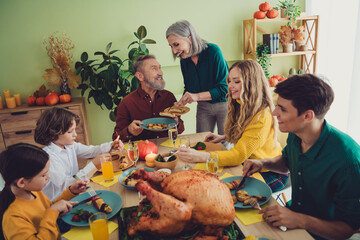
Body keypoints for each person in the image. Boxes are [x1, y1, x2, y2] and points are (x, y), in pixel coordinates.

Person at [242, 74, 360, 240]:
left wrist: (301, 220)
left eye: (282, 109)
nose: (275, 113)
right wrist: (263, 163)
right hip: (293, 223)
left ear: (307, 116)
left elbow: (349, 229)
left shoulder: (348, 160)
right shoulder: (295, 133)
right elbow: (287, 163)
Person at [178, 60, 288, 192]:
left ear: (251, 84)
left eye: (236, 82)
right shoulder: (242, 103)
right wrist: (224, 137)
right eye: (229, 81)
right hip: (249, 166)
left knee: (223, 191)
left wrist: (202, 156)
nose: (230, 86)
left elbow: (238, 155)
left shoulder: (262, 116)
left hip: (270, 171)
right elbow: (247, 133)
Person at [0, 143, 88, 240]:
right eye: (43, 175)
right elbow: (50, 213)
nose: (48, 176)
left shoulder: (33, 192)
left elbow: (48, 210)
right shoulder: (13, 217)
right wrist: (52, 211)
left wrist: (71, 192)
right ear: (22, 182)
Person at [34, 107, 124, 201]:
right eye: (70, 132)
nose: (75, 135)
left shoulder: (68, 145)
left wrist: (111, 145)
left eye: (74, 130)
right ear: (53, 134)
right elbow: (67, 185)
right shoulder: (49, 157)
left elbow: (90, 151)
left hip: (76, 193)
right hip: (61, 201)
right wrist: (93, 165)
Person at [166, 20, 228, 134]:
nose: (174, 51)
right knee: (201, 142)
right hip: (203, 107)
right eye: (171, 46)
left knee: (226, 144)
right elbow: (190, 88)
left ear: (189, 39)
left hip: (225, 105)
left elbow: (225, 88)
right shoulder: (184, 61)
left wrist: (197, 96)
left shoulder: (213, 52)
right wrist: (181, 103)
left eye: (176, 44)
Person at [112, 54, 184, 141]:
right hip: (142, 151)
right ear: (140, 76)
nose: (161, 73)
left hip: (167, 149)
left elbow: (180, 129)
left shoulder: (169, 97)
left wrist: (176, 122)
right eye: (154, 69)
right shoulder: (127, 103)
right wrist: (128, 131)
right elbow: (116, 138)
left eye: (159, 68)